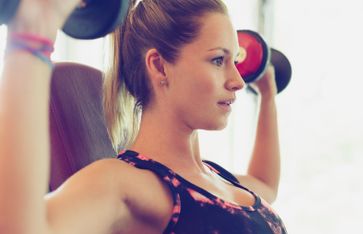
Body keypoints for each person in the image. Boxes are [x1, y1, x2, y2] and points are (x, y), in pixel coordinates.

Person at [0, 0, 286, 233]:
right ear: (160, 67)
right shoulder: (128, 183)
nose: (237, 81)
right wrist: (33, 33)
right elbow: (22, 229)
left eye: (235, 61)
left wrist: (268, 94)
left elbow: (266, 185)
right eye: (217, 60)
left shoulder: (218, 179)